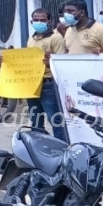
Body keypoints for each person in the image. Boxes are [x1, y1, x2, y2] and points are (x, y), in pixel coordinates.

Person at [24, 8, 68, 142]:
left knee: (55, 119)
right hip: (32, 84)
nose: (39, 22)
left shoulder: (55, 38)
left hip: (48, 84)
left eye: (42, 20)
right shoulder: (31, 39)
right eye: (36, 20)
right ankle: (39, 148)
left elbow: (61, 63)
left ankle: (62, 147)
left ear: (49, 21)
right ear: (31, 21)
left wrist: (50, 63)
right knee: (35, 119)